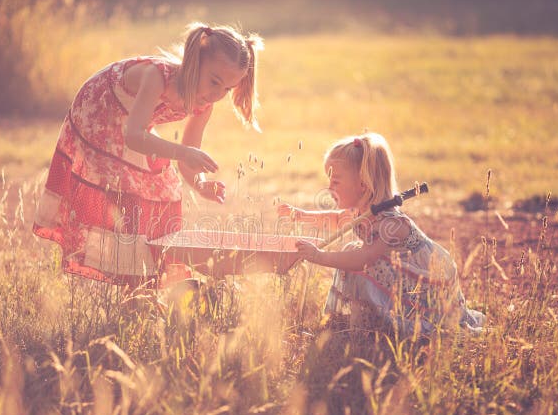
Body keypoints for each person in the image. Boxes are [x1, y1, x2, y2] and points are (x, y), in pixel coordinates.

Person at [34, 22, 263, 286]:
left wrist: (200, 185)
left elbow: (187, 158)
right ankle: (134, 287)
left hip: (132, 124)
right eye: (214, 81)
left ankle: (150, 279)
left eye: (227, 89)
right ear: (194, 60)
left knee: (165, 186)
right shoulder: (157, 77)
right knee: (129, 194)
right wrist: (182, 153)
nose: (216, 94)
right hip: (99, 111)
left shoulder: (204, 105)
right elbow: (134, 137)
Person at [278, 133, 484, 338]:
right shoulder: (362, 212)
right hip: (397, 271)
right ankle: (362, 324)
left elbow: (364, 260)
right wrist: (301, 215)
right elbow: (334, 220)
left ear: (363, 184)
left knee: (354, 259)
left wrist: (319, 256)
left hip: (426, 276)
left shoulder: (389, 223)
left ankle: (379, 324)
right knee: (351, 254)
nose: (329, 187)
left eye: (336, 181)